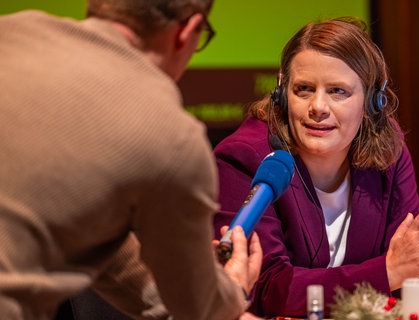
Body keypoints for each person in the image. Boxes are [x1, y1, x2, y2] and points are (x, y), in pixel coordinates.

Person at [0, 1, 263, 319]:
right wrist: (229, 292)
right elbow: (198, 309)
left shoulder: (12, 32)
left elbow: (99, 243)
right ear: (188, 31)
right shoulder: (170, 135)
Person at [213, 16, 419, 318]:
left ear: (372, 103)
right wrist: (384, 273)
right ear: (281, 94)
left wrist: (393, 272)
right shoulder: (245, 158)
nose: (318, 107)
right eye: (303, 88)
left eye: (338, 91)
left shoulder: (388, 151)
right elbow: (267, 288)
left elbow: (403, 273)